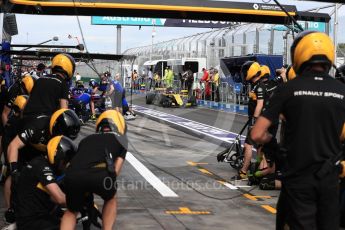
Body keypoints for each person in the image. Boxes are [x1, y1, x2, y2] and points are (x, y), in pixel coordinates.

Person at [251, 31, 344, 230]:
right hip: (330, 180)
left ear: (299, 55)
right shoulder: (341, 90)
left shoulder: (288, 89)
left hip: (298, 178)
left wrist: (275, 148)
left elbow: (257, 134)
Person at [61, 110, 128, 230]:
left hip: (73, 175)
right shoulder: (122, 140)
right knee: (111, 198)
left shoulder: (86, 139)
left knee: (71, 211)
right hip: (99, 176)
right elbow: (115, 171)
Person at [15, 135, 76, 230]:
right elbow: (59, 198)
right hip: (31, 220)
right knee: (66, 224)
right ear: (58, 156)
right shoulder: (42, 167)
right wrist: (82, 202)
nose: (65, 167)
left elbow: (52, 197)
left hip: (36, 214)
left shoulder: (41, 162)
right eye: (65, 162)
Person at [232, 61, 262, 180]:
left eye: (245, 72)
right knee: (260, 147)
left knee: (248, 145)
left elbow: (260, 104)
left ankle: (244, 171)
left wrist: (254, 121)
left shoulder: (259, 87)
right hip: (259, 120)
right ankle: (259, 167)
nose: (244, 74)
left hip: (257, 121)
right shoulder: (257, 85)